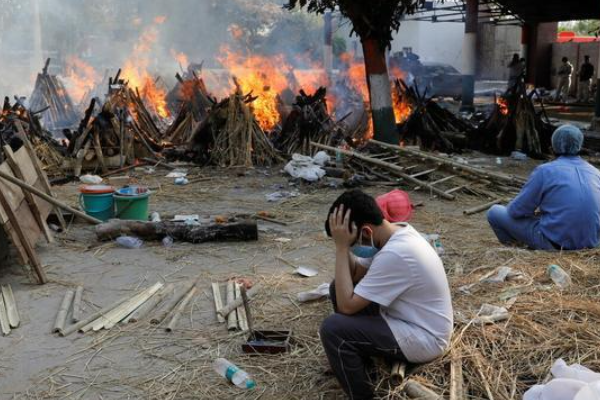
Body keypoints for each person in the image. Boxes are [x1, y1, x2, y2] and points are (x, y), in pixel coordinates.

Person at [320, 190, 453, 400]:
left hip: (426, 337)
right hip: (407, 318)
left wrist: (341, 248)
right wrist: (344, 244)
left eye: (353, 243)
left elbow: (347, 306)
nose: (352, 248)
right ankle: (362, 364)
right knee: (338, 287)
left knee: (333, 329)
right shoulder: (395, 234)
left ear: (365, 232)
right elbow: (354, 274)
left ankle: (363, 396)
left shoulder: (397, 253)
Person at [487, 125, 600, 251]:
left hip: (556, 244)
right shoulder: (595, 172)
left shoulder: (545, 171)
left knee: (494, 212)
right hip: (590, 244)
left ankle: (516, 251)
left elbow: (516, 211)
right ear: (580, 145)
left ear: (553, 147)